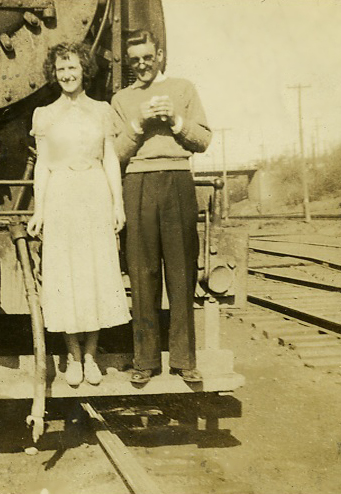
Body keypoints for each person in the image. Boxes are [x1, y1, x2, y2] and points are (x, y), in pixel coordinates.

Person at [27, 42, 130, 386]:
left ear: (84, 70)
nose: (67, 74)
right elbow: (42, 165)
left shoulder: (102, 110)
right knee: (65, 275)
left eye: (72, 68)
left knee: (94, 273)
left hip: (94, 193)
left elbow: (111, 159)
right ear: (54, 75)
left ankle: (91, 356)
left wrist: (118, 203)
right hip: (60, 195)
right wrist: (39, 209)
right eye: (61, 69)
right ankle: (72, 355)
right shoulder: (44, 114)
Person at [111, 30, 212, 384]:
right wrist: (138, 124)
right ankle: (145, 360)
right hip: (137, 184)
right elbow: (116, 154)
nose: (142, 65)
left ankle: (184, 359)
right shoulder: (121, 100)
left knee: (182, 272)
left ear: (160, 55)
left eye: (147, 58)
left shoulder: (183, 89)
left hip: (177, 181)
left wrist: (176, 121)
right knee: (142, 274)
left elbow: (203, 140)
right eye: (135, 60)